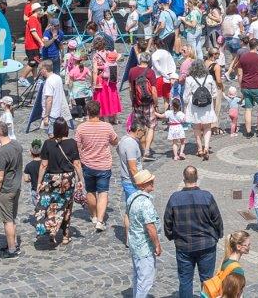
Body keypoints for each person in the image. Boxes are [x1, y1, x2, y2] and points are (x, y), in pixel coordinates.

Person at [163, 165, 225, 298]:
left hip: (184, 246)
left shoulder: (175, 198)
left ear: (184, 178)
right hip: (206, 244)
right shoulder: (207, 196)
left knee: (185, 281)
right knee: (207, 280)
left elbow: (167, 222)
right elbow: (217, 219)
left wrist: (172, 236)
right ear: (197, 178)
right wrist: (219, 234)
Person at [74, 101, 119, 231]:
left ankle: (93, 216)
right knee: (103, 192)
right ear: (99, 111)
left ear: (87, 112)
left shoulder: (81, 128)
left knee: (90, 191)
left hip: (87, 164)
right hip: (103, 164)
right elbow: (115, 141)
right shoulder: (107, 127)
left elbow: (77, 146)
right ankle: (100, 220)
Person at [37, 119, 81, 247]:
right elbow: (77, 164)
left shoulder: (47, 143)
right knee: (67, 206)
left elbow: (43, 165)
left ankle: (52, 233)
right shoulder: (72, 143)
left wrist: (39, 182)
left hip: (52, 179)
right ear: (66, 129)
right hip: (68, 179)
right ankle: (66, 236)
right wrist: (80, 180)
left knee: (52, 206)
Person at [126, 169, 162, 298]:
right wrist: (157, 245)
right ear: (142, 185)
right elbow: (150, 227)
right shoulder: (145, 203)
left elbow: (127, 217)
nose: (152, 182)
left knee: (138, 277)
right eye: (149, 181)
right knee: (145, 280)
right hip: (144, 247)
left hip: (135, 243)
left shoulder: (132, 197)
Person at [0, 121, 23, 257]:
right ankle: (14, 243)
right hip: (16, 186)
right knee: (12, 217)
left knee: (7, 220)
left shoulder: (3, 152)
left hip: (6, 189)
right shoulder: (16, 144)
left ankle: (11, 249)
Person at [229, 37, 258, 136]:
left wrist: (241, 85)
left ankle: (248, 131)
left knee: (248, 109)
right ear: (257, 46)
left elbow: (239, 73)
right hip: (257, 85)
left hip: (246, 86)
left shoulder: (243, 57)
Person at [184, 59, 218, 160]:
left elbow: (185, 97)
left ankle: (199, 148)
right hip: (207, 105)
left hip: (195, 106)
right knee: (207, 127)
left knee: (196, 128)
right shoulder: (209, 78)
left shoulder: (189, 79)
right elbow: (214, 94)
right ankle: (206, 147)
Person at [203, 231, 250, 298]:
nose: (249, 247)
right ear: (239, 247)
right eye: (247, 245)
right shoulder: (237, 270)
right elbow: (236, 294)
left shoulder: (226, 260)